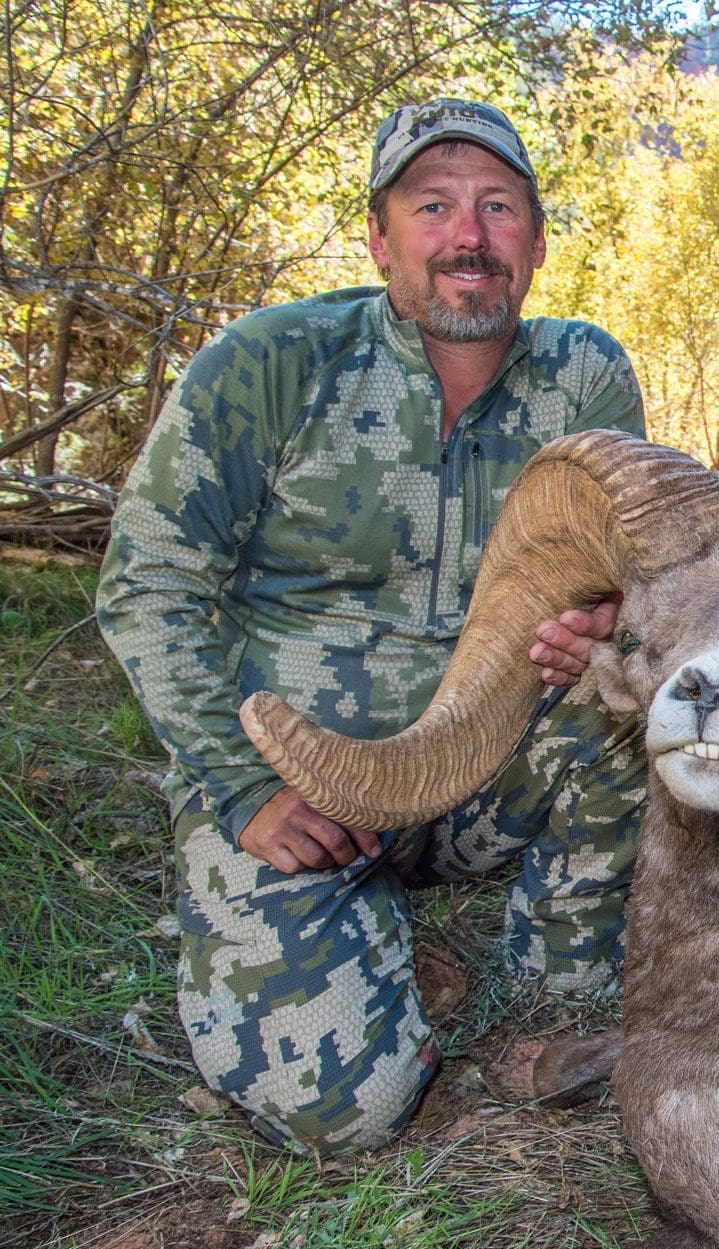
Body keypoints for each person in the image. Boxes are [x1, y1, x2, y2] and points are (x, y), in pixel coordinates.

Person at [96, 99, 647, 1157]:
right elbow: (148, 577)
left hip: (497, 762)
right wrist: (241, 784)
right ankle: (348, 929)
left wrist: (616, 624)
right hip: (303, 784)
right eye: (432, 205)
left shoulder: (584, 378)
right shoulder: (272, 363)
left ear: (534, 240)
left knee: (643, 711)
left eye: (497, 207)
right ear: (379, 237)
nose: (467, 236)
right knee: (346, 1108)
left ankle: (555, 989)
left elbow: (633, 562)